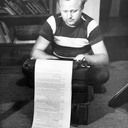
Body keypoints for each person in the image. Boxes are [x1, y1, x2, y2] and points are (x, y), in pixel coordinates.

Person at [22, 0, 110, 93]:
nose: (69, 16)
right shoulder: (53, 21)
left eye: (74, 11)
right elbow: (35, 51)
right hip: (57, 66)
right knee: (26, 68)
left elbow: (104, 58)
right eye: (65, 11)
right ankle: (77, 85)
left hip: (79, 67)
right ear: (59, 8)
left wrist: (86, 58)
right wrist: (51, 59)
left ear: (82, 8)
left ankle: (65, 84)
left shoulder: (91, 25)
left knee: (102, 74)